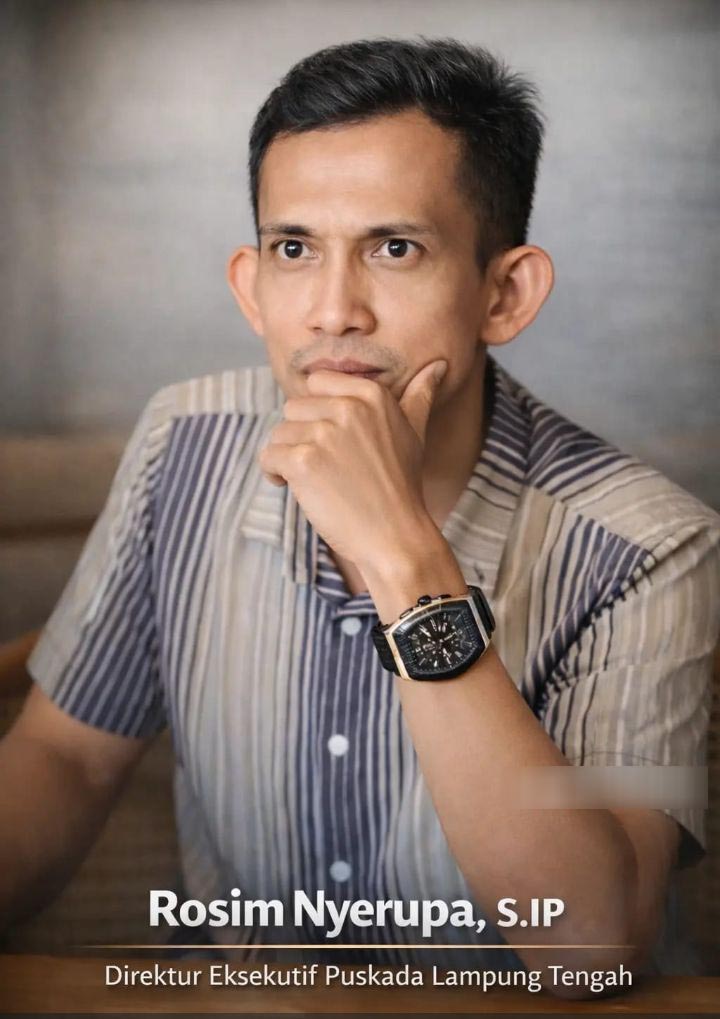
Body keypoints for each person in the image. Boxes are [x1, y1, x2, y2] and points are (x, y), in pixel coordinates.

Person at [1, 38, 718, 990]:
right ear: (252, 287)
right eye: (295, 249)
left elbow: (587, 948)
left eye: (395, 248)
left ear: (504, 293)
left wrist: (400, 552)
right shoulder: (185, 441)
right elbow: (67, 757)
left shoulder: (650, 543)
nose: (334, 311)